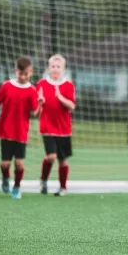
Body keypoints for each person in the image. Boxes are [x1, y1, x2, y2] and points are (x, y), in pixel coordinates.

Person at [0, 57, 41, 199]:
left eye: (26, 74)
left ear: (31, 72)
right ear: (16, 71)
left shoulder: (32, 90)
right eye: (21, 74)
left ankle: (17, 187)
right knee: (5, 164)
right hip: (6, 131)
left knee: (19, 163)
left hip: (21, 132)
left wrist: (41, 103)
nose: (23, 77)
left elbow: (35, 112)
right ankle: (5, 178)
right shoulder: (6, 86)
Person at [37, 54, 75, 197]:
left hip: (64, 129)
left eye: (58, 67)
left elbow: (71, 105)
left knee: (62, 160)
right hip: (47, 127)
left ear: (63, 69)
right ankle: (44, 180)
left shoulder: (68, 85)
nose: (55, 69)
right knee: (51, 156)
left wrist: (60, 97)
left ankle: (62, 187)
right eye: (53, 66)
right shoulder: (41, 84)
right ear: (48, 68)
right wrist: (39, 102)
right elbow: (36, 108)